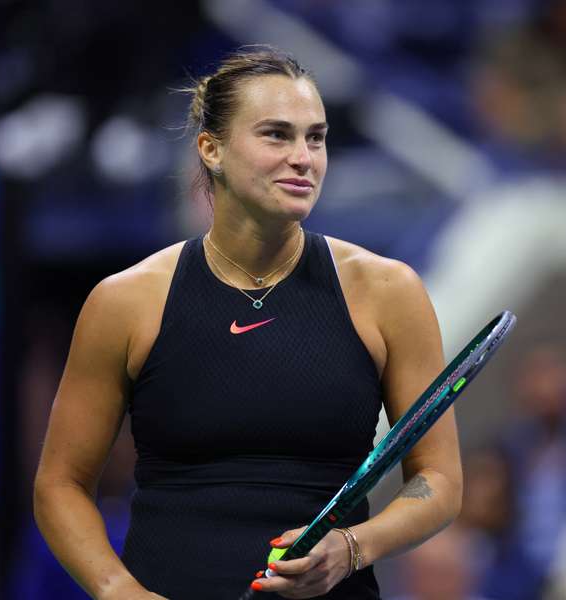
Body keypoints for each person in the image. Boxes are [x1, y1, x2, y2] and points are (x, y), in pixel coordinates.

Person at [32, 47, 463, 600]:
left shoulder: (389, 292)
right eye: (277, 135)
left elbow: (440, 481)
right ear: (211, 150)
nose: (304, 157)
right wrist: (117, 589)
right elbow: (60, 484)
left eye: (316, 137)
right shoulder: (125, 301)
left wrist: (354, 547)